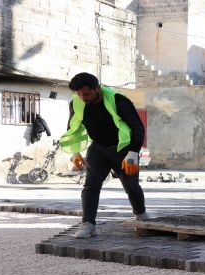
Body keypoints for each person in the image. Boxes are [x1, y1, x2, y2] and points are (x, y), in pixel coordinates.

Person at [59, 73, 148, 238]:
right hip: (98, 149)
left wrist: (133, 153)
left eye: (86, 94)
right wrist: (75, 152)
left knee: (131, 186)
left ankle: (141, 216)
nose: (82, 98)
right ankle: (87, 224)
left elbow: (137, 127)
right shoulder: (76, 103)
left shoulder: (119, 101)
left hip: (123, 148)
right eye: (78, 94)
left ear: (97, 88)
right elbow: (73, 128)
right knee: (90, 186)